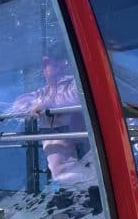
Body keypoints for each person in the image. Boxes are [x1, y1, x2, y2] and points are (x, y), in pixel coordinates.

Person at [9, 52, 94, 185]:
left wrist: (50, 103)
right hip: (60, 169)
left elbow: (80, 95)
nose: (44, 67)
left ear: (61, 62)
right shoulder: (44, 91)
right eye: (43, 63)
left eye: (48, 62)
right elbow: (19, 104)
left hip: (82, 159)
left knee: (86, 183)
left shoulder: (74, 83)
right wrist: (40, 103)